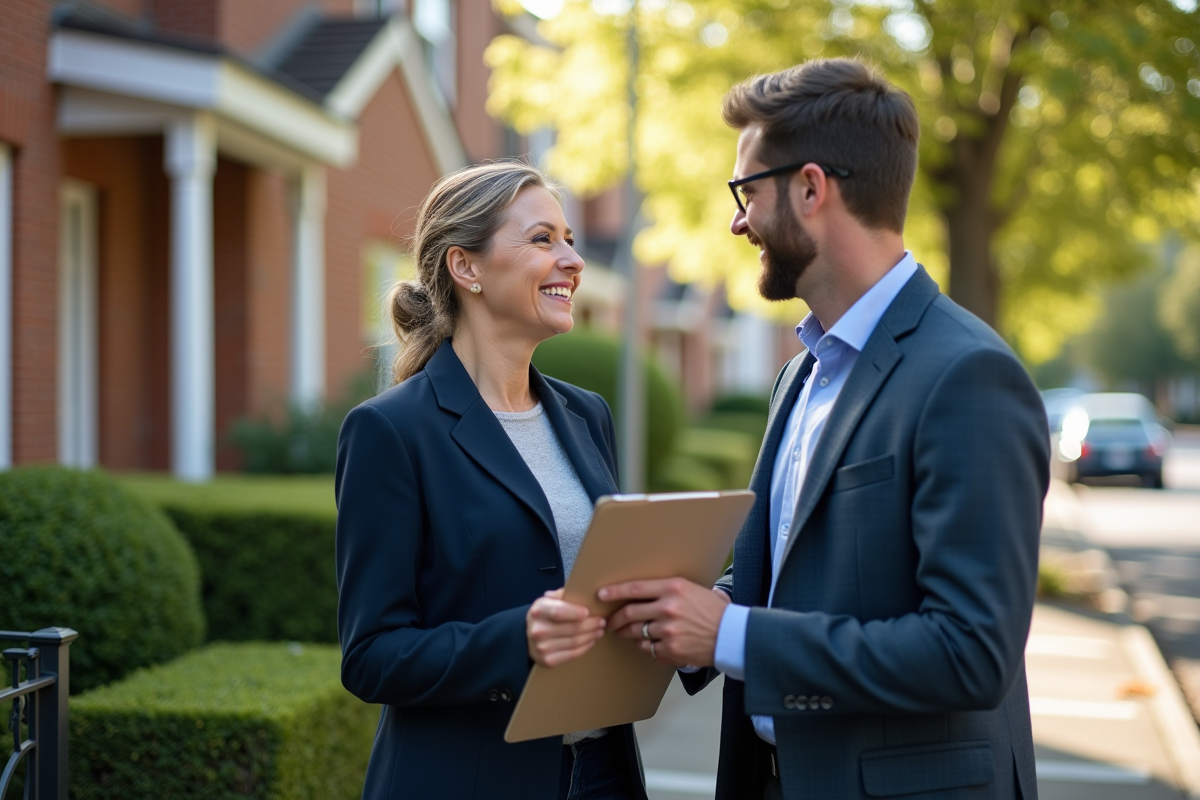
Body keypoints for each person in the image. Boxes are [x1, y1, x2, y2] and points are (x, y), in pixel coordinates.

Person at [601, 58, 1050, 800]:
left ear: (811, 188)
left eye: (746, 190)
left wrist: (731, 634)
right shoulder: (800, 375)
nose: (737, 219)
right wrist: (674, 619)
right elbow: (792, 577)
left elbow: (972, 652)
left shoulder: (969, 376)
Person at [335, 161, 649, 800]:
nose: (572, 259)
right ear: (466, 267)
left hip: (603, 773)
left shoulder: (587, 414)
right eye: (542, 240)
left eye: (568, 239)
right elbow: (371, 656)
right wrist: (518, 639)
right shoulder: (389, 432)